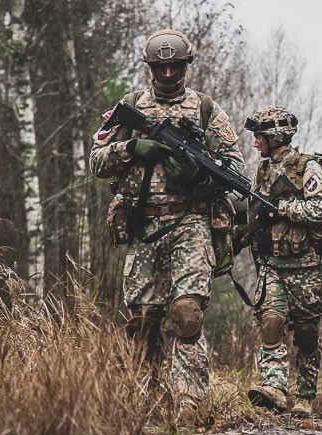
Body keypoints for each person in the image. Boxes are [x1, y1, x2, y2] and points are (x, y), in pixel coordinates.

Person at [90, 29, 244, 402]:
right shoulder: (130, 106)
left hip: (190, 222)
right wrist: (131, 148)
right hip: (143, 224)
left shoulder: (206, 109)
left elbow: (235, 169)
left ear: (186, 66)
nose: (169, 74)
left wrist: (199, 172)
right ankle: (147, 399)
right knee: (142, 321)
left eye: (176, 66)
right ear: (151, 68)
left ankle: (190, 401)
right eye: (162, 68)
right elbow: (96, 162)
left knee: (187, 313)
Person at [240, 106, 322, 418]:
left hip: (304, 267)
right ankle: (275, 389)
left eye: (259, 136)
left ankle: (305, 398)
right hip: (272, 267)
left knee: (306, 334)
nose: (255, 143)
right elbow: (254, 210)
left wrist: (283, 210)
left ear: (275, 135)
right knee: (271, 324)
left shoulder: (307, 168)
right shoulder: (262, 171)